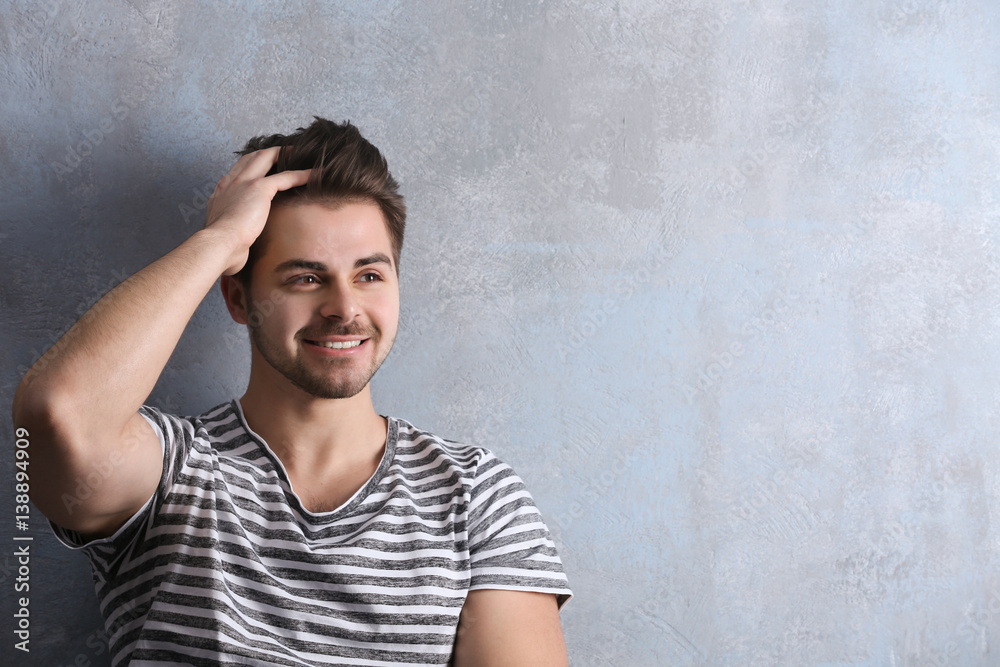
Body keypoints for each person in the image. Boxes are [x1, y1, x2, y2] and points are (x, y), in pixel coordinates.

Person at [13, 117, 571, 666]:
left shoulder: (476, 497)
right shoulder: (172, 473)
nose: (345, 309)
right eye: (305, 278)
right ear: (237, 298)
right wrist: (221, 239)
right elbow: (58, 412)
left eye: (369, 275)